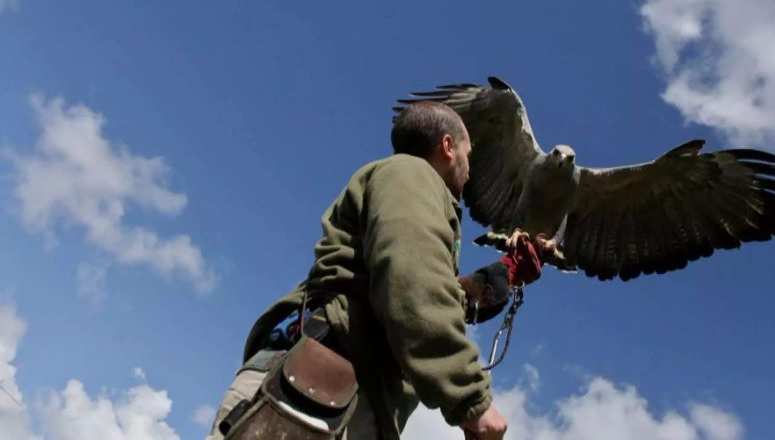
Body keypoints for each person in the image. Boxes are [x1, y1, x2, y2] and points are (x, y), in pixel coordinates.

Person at [207, 101, 545, 440]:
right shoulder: (411, 173)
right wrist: (472, 401)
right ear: (447, 147)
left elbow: (423, 287)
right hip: (317, 391)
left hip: (331, 393)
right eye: (468, 154)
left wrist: (504, 274)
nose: (470, 169)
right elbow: (412, 285)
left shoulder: (402, 185)